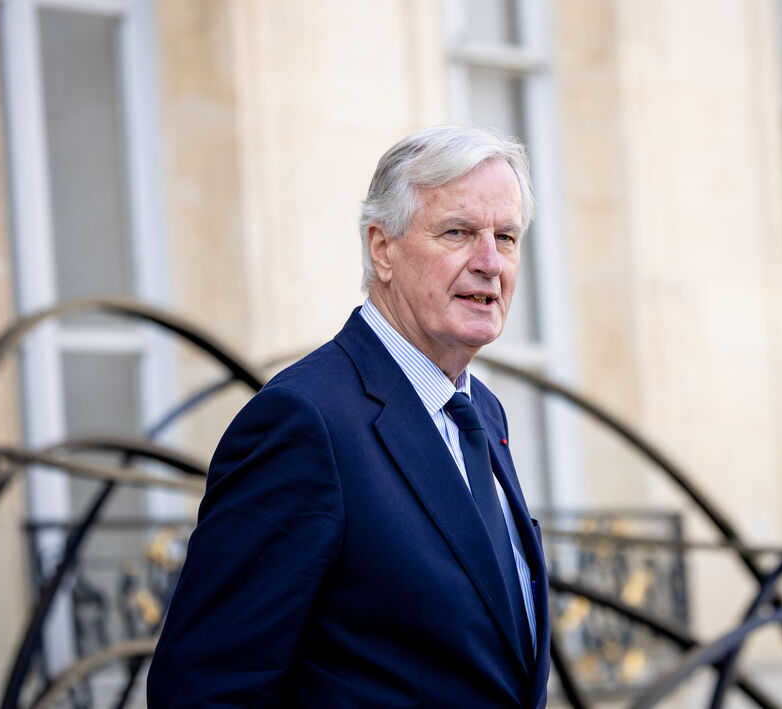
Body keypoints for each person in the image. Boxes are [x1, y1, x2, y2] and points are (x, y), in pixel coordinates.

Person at [148, 124, 551, 708]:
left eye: (506, 237)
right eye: (458, 232)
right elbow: (204, 688)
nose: (489, 262)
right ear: (382, 249)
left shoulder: (481, 413)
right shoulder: (303, 421)